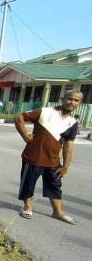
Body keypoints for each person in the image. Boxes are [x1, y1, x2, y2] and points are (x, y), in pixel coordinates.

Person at [14, 91, 82, 224]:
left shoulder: (73, 123)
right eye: (70, 99)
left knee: (55, 186)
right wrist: (25, 136)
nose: (72, 102)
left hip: (53, 162)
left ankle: (57, 212)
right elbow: (19, 118)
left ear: (79, 103)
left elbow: (69, 146)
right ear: (63, 99)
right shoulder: (44, 112)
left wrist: (65, 166)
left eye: (76, 100)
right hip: (33, 157)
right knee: (28, 184)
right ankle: (27, 207)